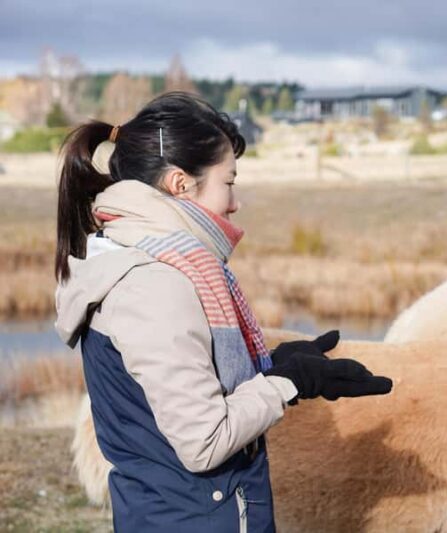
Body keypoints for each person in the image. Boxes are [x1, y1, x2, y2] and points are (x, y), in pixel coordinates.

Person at [53, 92, 392, 532]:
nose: (235, 202)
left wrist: (273, 366)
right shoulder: (155, 284)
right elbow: (204, 440)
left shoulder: (130, 258)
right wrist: (287, 383)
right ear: (180, 184)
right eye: (228, 181)